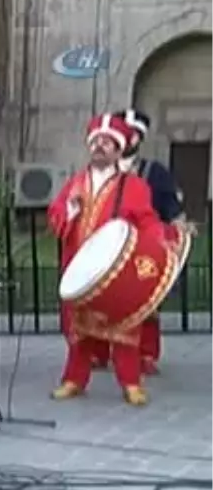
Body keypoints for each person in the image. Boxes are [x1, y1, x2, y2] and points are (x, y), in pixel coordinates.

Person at [48, 114, 167, 407]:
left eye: (108, 143)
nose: (101, 147)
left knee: (123, 328)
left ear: (118, 149)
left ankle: (130, 383)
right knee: (79, 329)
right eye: (97, 142)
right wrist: (69, 212)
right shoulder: (75, 183)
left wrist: (160, 242)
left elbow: (148, 222)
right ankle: (74, 380)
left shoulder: (134, 186)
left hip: (117, 269)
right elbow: (55, 217)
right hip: (81, 269)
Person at [87, 109, 185, 376]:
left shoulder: (154, 172)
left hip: (141, 246)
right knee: (99, 299)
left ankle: (146, 354)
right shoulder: (101, 169)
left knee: (144, 303)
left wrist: (175, 231)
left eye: (133, 134)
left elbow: (172, 211)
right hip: (104, 245)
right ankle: (97, 352)